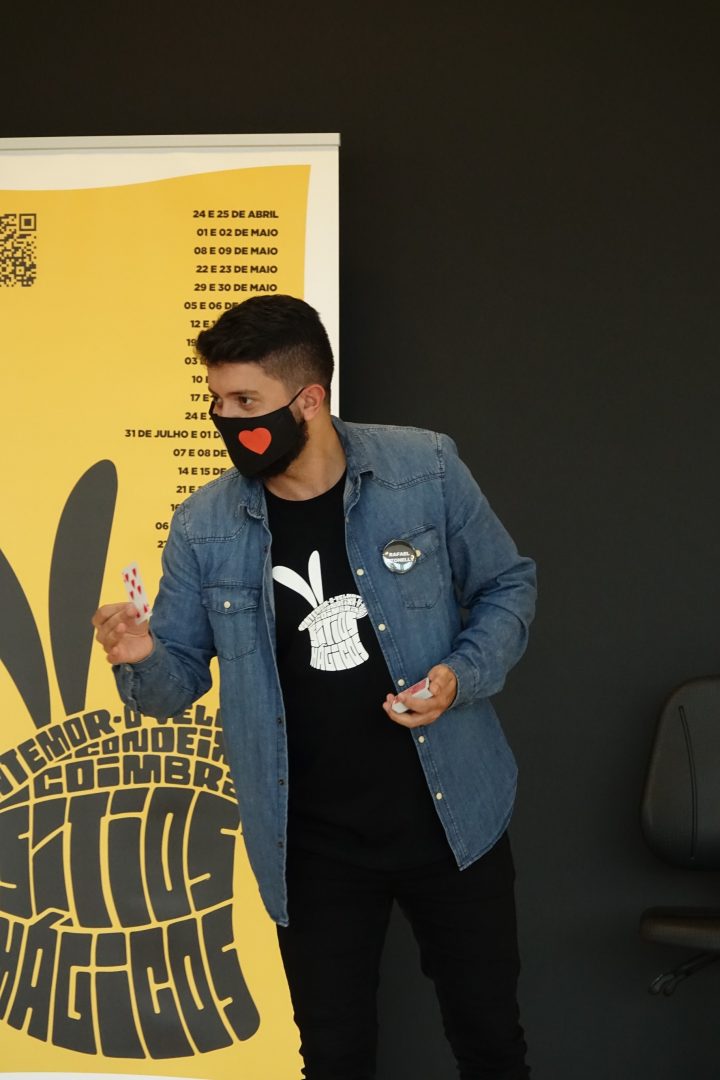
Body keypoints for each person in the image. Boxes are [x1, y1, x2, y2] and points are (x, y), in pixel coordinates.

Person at [93, 294, 537, 1080]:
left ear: (309, 400)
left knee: (490, 1041)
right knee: (333, 1057)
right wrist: (138, 657)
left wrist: (458, 676)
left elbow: (507, 586)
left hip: (453, 816)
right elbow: (172, 687)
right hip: (310, 842)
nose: (226, 420)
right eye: (216, 402)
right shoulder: (204, 526)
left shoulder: (425, 468)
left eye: (245, 402)